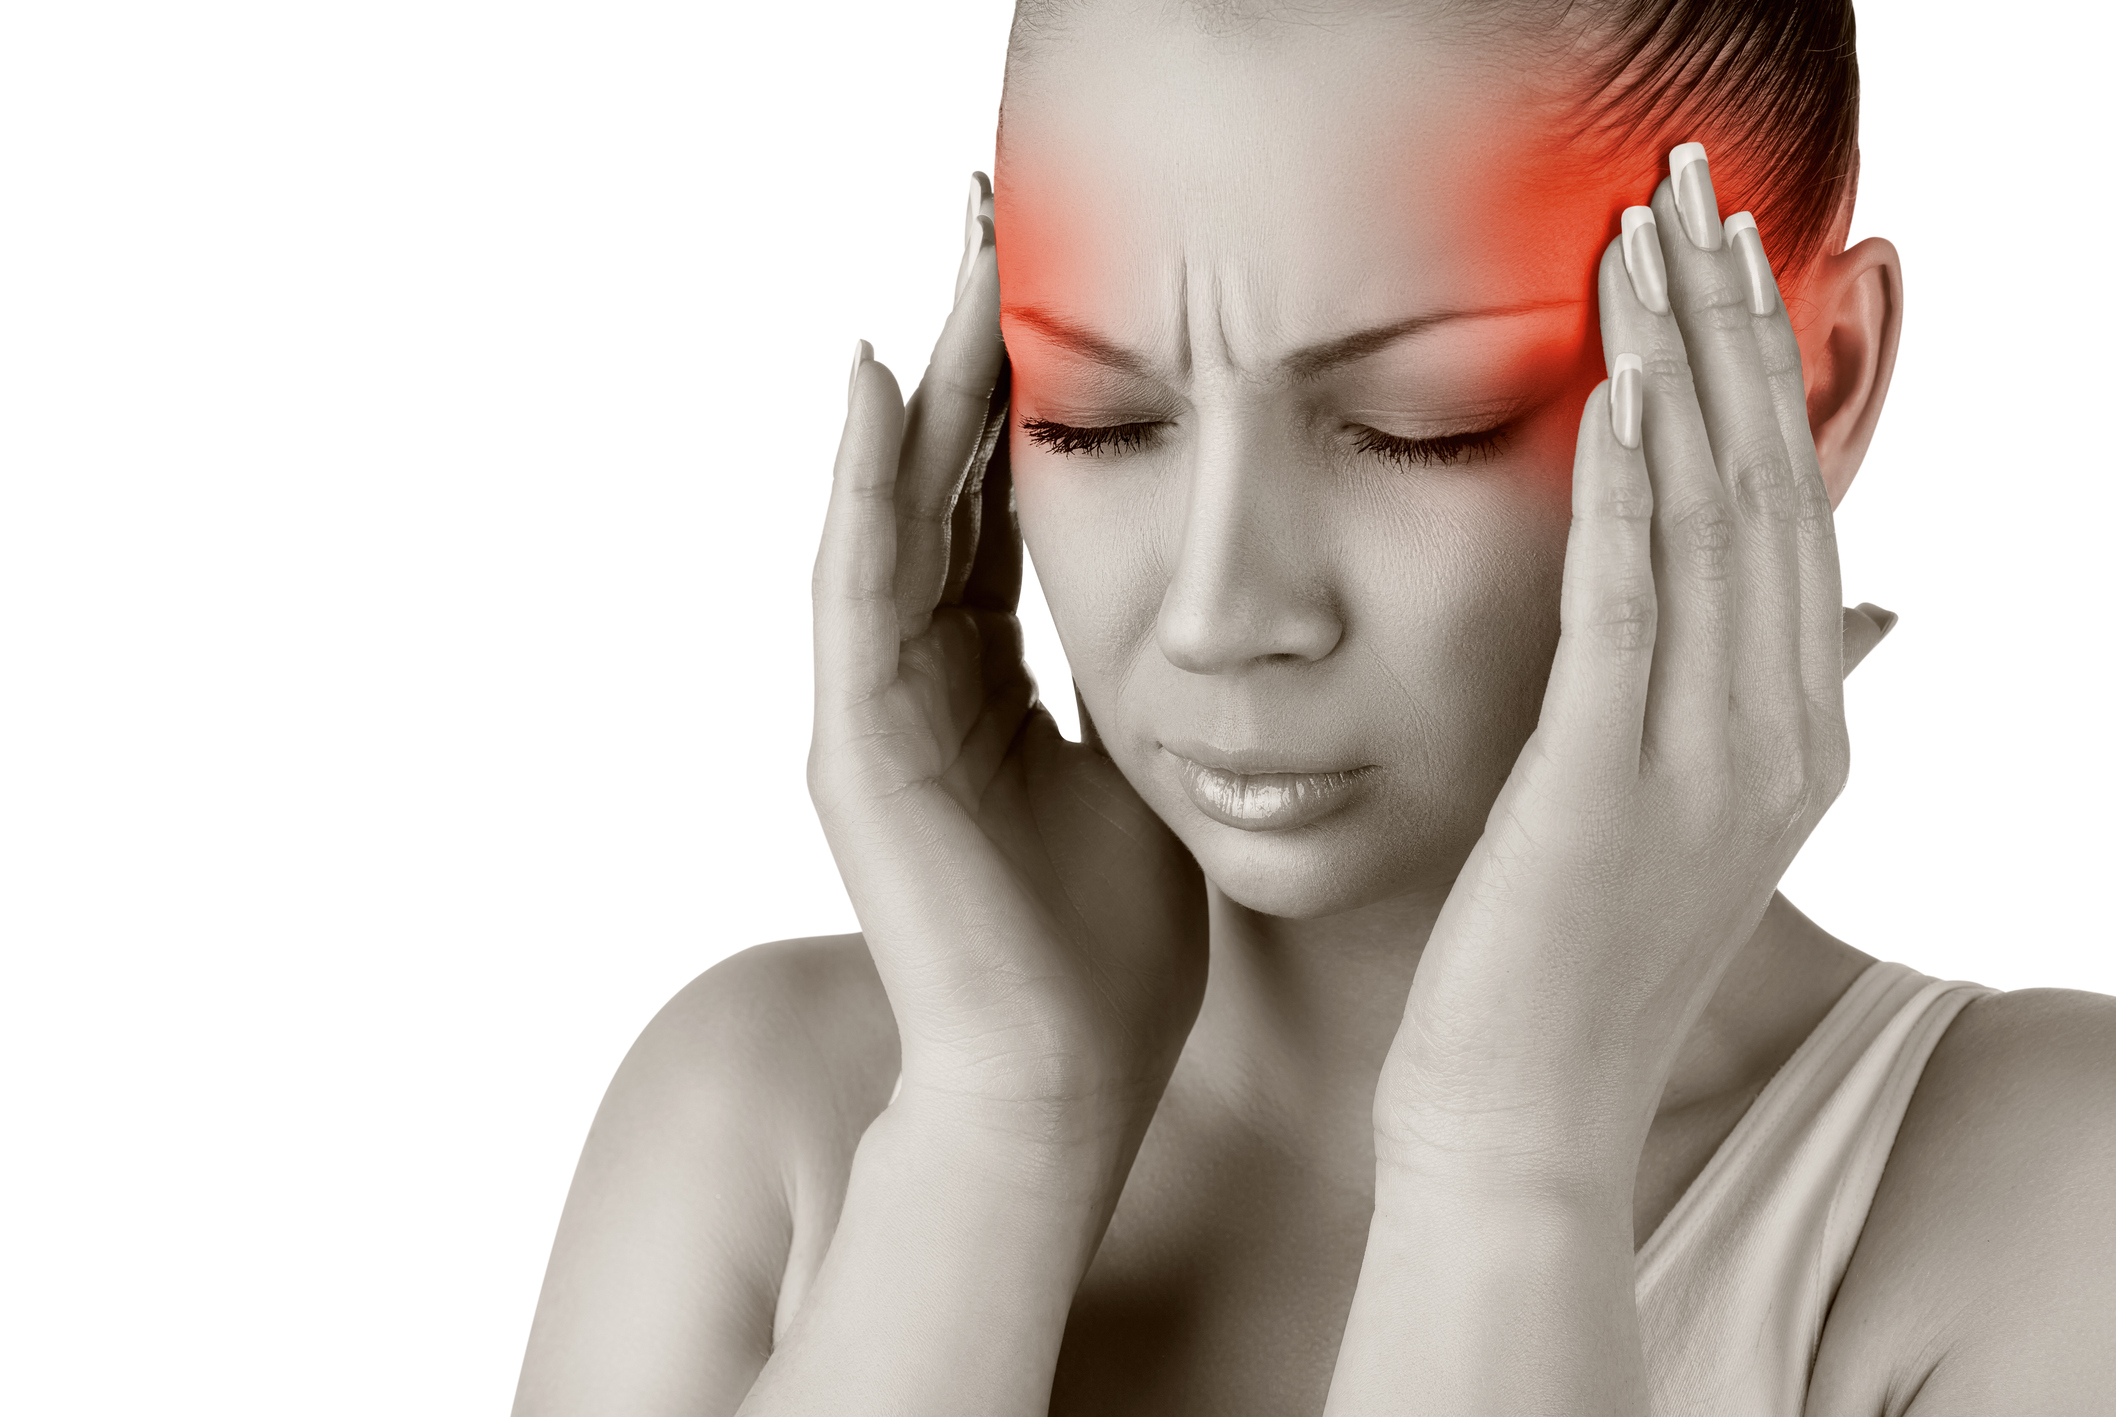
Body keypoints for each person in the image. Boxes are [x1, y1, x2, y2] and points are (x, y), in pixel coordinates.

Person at [512, 2, 2116, 1412]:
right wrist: (1004, 1118)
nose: (1217, 613)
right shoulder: (766, 1121)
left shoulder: (2039, 1201)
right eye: (1093, 417)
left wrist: (1511, 1157)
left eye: (1425, 423)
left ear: (1811, 383)